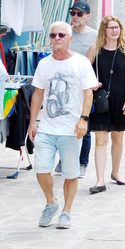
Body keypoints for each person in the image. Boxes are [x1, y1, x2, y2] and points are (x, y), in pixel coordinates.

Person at [29, 21, 98, 229]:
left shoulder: (81, 63)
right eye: (53, 35)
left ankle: (66, 211)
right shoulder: (44, 64)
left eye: (61, 35)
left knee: (70, 173)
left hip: (72, 130)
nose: (57, 38)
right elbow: (38, 94)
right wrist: (33, 122)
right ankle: (51, 203)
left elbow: (88, 92)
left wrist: (84, 119)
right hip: (47, 128)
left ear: (70, 38)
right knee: (41, 169)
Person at [86, 16, 125, 194]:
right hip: (102, 100)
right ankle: (99, 180)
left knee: (118, 138)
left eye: (117, 27)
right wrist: (91, 83)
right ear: (104, 30)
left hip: (121, 99)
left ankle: (116, 172)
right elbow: (84, 70)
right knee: (100, 140)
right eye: (111, 27)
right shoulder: (95, 49)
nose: (115, 30)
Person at [54, 0, 97, 178]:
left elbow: (89, 62)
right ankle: (64, 159)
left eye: (79, 14)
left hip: (82, 86)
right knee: (63, 124)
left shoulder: (94, 36)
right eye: (73, 13)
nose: (75, 17)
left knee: (83, 124)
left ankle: (82, 163)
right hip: (63, 85)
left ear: (88, 16)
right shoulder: (64, 33)